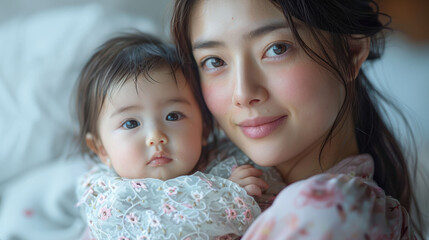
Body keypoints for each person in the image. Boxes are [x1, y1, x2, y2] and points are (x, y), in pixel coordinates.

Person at [171, 0, 426, 239]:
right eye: (214, 61)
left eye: (276, 48)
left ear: (350, 52)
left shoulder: (324, 214)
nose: (243, 93)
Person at [74, 32, 276, 239]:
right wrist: (228, 197)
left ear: (205, 129)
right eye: (131, 123)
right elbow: (158, 230)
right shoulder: (105, 193)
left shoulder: (228, 162)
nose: (156, 136)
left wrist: (245, 190)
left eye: (173, 116)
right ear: (101, 149)